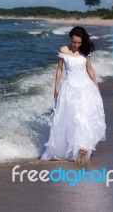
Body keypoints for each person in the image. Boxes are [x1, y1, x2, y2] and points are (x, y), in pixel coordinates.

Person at [41, 26, 106, 164]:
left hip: (85, 88)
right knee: (72, 119)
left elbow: (90, 69)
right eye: (74, 42)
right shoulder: (63, 50)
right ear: (71, 39)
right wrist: (56, 87)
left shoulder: (85, 52)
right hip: (69, 89)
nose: (76, 45)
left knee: (84, 118)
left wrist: (96, 86)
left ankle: (82, 148)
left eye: (79, 43)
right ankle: (73, 149)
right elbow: (59, 70)